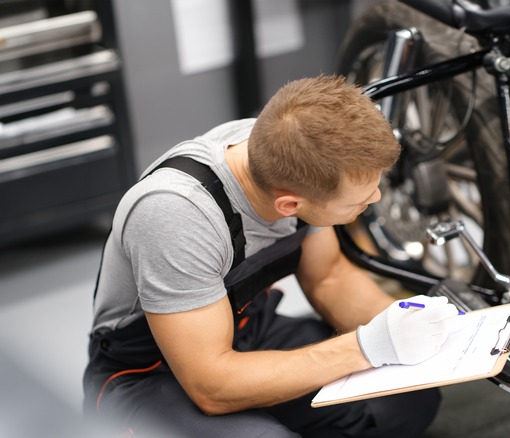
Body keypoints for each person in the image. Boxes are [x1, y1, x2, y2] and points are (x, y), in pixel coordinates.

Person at [83, 75, 461, 437]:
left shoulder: (294, 148)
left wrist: (426, 332)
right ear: (289, 204)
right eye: (360, 201)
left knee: (407, 400)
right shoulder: (174, 215)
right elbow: (211, 385)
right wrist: (367, 346)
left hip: (248, 328)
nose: (375, 199)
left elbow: (328, 277)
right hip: (149, 373)